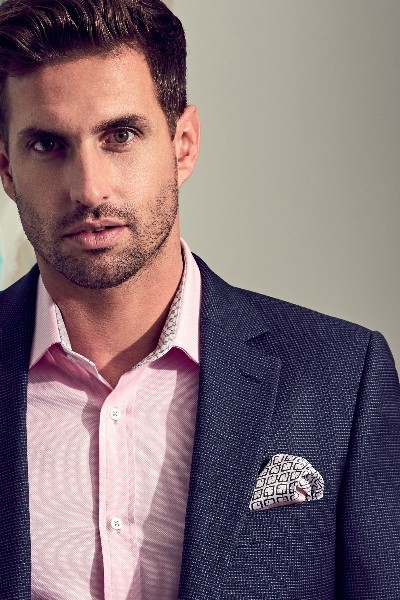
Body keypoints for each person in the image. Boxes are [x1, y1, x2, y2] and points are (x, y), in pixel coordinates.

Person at [0, 0, 399, 598]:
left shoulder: (341, 377)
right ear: (7, 170)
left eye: (120, 135)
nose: (90, 188)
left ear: (183, 143)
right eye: (48, 145)